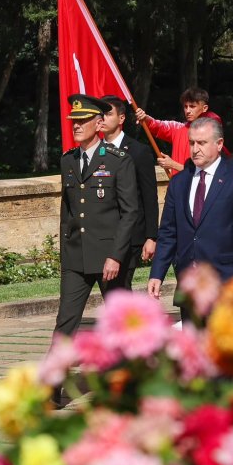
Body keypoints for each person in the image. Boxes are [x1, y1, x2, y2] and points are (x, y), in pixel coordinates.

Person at [148, 116, 233, 319]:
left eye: (201, 143)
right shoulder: (180, 182)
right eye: (191, 143)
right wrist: (157, 273)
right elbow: (168, 232)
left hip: (228, 286)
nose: (195, 149)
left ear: (219, 144)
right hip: (190, 287)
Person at [56, 95, 139, 337]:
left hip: (108, 258)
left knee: (124, 322)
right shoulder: (68, 160)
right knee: (65, 320)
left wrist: (116, 256)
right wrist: (65, 250)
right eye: (74, 121)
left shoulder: (117, 160)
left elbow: (129, 212)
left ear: (99, 124)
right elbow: (67, 211)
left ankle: (137, 368)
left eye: (83, 120)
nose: (77, 126)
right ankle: (54, 372)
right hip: (76, 257)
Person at [101, 95, 160, 288]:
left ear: (121, 118)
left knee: (119, 286)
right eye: (99, 114)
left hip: (130, 234)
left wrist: (151, 237)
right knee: (112, 289)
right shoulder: (94, 151)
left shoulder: (138, 151)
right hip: (102, 234)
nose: (102, 118)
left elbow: (149, 196)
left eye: (108, 113)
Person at [134, 87, 223, 174]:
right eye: (185, 106)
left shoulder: (212, 134)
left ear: (204, 108)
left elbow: (206, 172)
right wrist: (145, 118)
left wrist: (173, 165)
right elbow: (157, 125)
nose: (188, 111)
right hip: (177, 186)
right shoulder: (178, 128)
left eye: (192, 106)